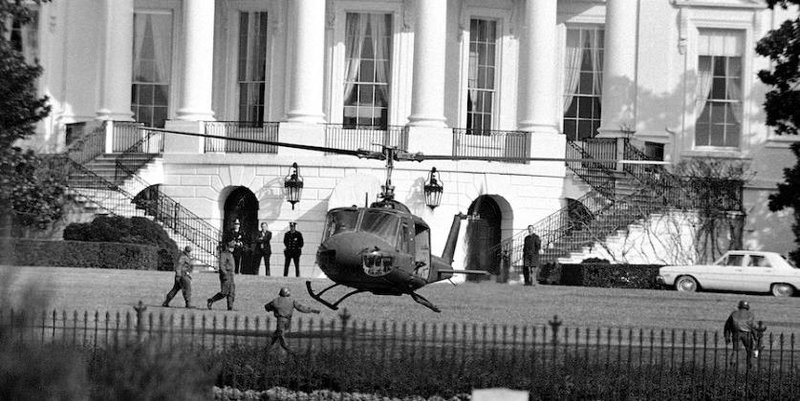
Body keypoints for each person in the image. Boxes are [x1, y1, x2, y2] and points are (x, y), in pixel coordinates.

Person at [264, 287, 320, 354]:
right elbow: (301, 308)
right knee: (275, 336)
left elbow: (266, 307)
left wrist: (275, 309)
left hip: (280, 322)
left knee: (282, 340)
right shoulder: (292, 301)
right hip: (288, 322)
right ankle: (265, 351)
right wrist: (312, 310)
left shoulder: (275, 300)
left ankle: (294, 353)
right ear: (288, 293)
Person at [207, 241, 236, 311]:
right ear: (228, 247)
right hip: (226, 275)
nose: (232, 249)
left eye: (233, 247)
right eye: (231, 247)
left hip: (231, 275)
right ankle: (211, 300)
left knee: (231, 292)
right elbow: (222, 265)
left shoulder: (230, 254)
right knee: (224, 292)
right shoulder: (224, 254)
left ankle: (230, 307)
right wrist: (225, 274)